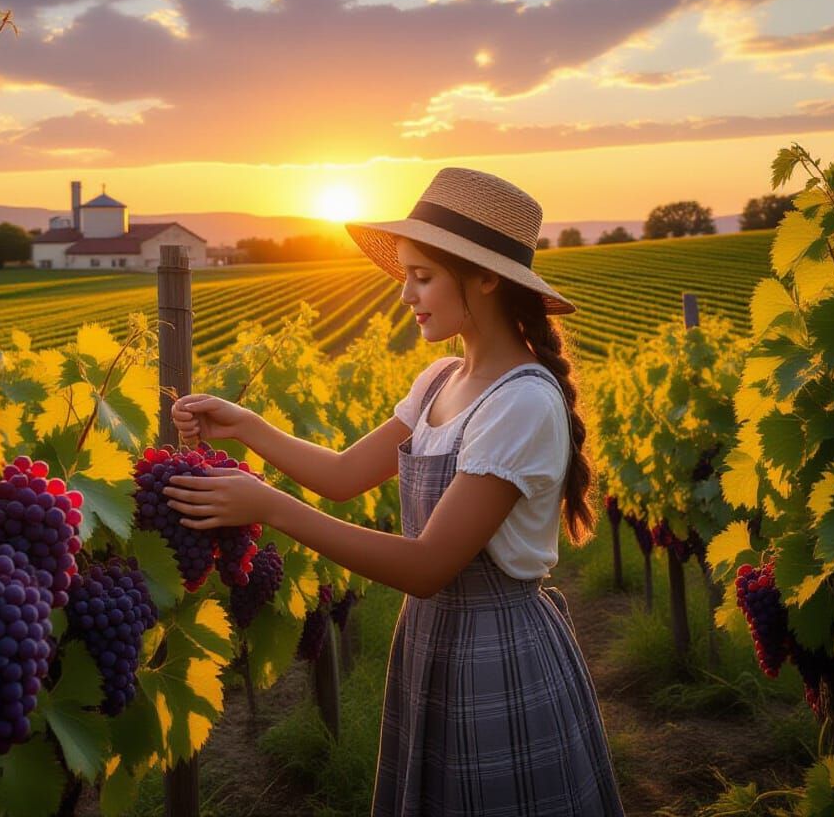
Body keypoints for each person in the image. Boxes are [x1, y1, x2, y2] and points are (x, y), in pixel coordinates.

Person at [165, 167, 626, 816]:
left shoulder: (521, 401)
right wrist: (250, 429)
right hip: (433, 643)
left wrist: (267, 505)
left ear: (487, 277)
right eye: (406, 273)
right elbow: (344, 476)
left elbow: (430, 565)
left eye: (424, 276)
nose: (405, 292)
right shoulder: (441, 379)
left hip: (495, 653)